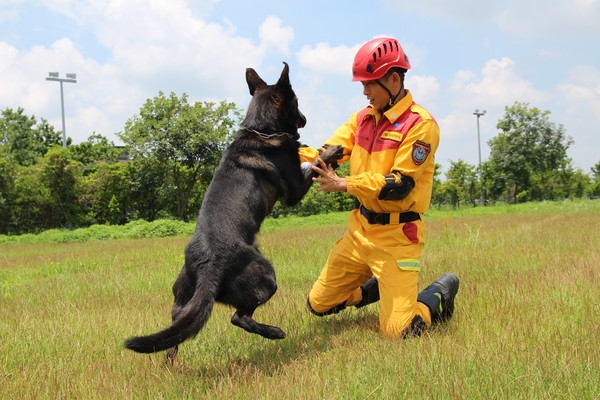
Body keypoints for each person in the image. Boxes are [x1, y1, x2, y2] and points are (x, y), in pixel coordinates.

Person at [298, 37, 459, 338]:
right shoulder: (361, 120)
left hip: (397, 238)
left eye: (370, 83)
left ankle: (438, 292)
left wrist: (344, 183)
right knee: (319, 305)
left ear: (394, 79)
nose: (364, 91)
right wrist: (282, 153)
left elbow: (400, 184)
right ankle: (372, 291)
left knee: (400, 331)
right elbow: (328, 152)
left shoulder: (420, 124)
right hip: (359, 232)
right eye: (362, 83)